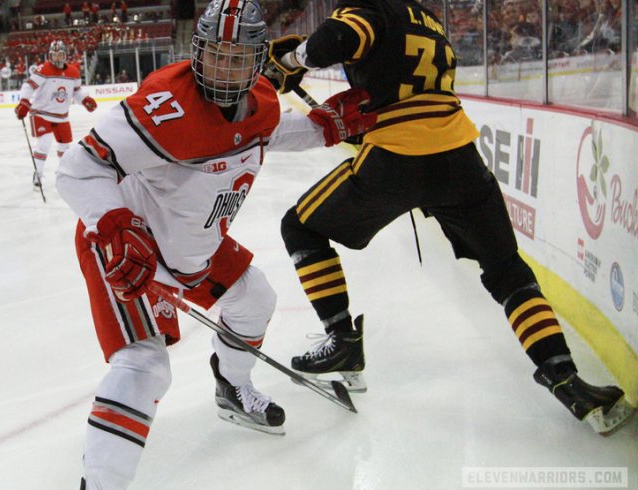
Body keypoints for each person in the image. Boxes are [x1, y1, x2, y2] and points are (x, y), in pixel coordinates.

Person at [265, 0, 634, 434]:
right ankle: (567, 380)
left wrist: (290, 61)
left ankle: (343, 340)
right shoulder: (430, 18)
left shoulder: (371, 9)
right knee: (508, 270)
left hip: (398, 158)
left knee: (300, 226)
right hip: (459, 156)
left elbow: (338, 39)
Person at [56, 1, 374, 488]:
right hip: (129, 244)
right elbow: (80, 167)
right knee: (145, 365)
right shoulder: (165, 105)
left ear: (257, 60)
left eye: (238, 57)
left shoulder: (263, 100)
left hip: (193, 243)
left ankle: (233, 387)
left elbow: (258, 133)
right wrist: (116, 224)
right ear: (197, 52)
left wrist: (323, 127)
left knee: (255, 299)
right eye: (216, 55)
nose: (224, 68)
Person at [13, 40, 97, 189]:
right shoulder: (44, 69)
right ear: (50, 56)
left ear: (65, 55)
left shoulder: (73, 72)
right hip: (41, 113)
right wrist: (24, 102)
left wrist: (84, 99)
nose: (57, 58)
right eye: (55, 55)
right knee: (44, 142)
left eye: (60, 55)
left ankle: (65, 173)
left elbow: (76, 91)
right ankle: (37, 174)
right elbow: (28, 85)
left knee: (65, 147)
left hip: (61, 116)